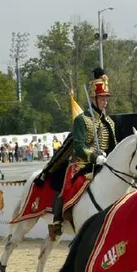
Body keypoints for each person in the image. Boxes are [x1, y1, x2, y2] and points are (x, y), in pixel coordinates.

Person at [50, 69, 118, 238]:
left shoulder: (109, 121)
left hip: (104, 163)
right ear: (93, 99)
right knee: (69, 187)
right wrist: (96, 157)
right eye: (102, 98)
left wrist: (111, 159)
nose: (105, 102)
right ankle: (58, 221)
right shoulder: (82, 120)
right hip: (82, 163)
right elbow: (79, 147)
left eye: (106, 98)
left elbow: (113, 145)